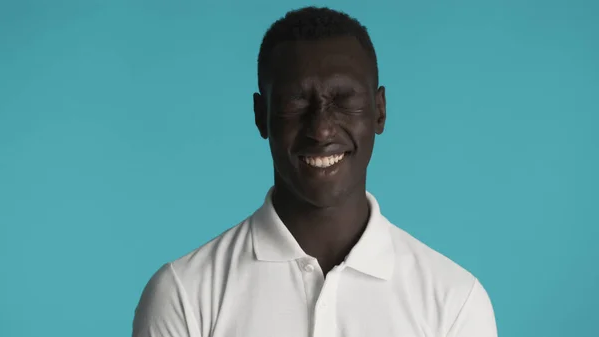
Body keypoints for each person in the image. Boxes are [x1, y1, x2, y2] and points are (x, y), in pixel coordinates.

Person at [132, 6, 497, 337]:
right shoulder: (183, 294)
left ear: (379, 111)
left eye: (343, 100)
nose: (321, 129)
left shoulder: (454, 301)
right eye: (296, 101)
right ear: (262, 117)